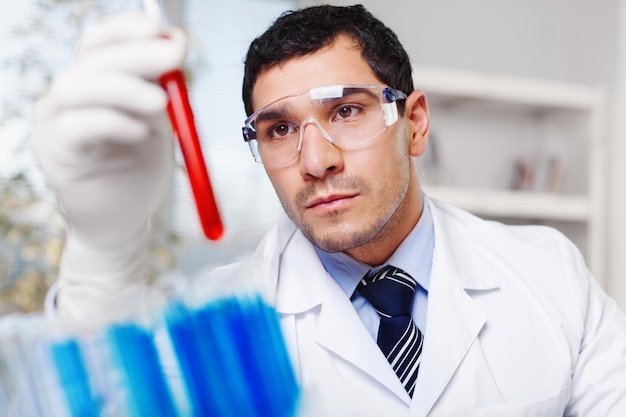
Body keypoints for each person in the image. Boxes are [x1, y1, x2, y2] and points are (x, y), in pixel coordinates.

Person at [32, 4, 626, 416]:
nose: (315, 161)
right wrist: (102, 254)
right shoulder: (220, 321)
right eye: (280, 128)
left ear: (413, 123)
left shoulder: (548, 274)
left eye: (346, 111)